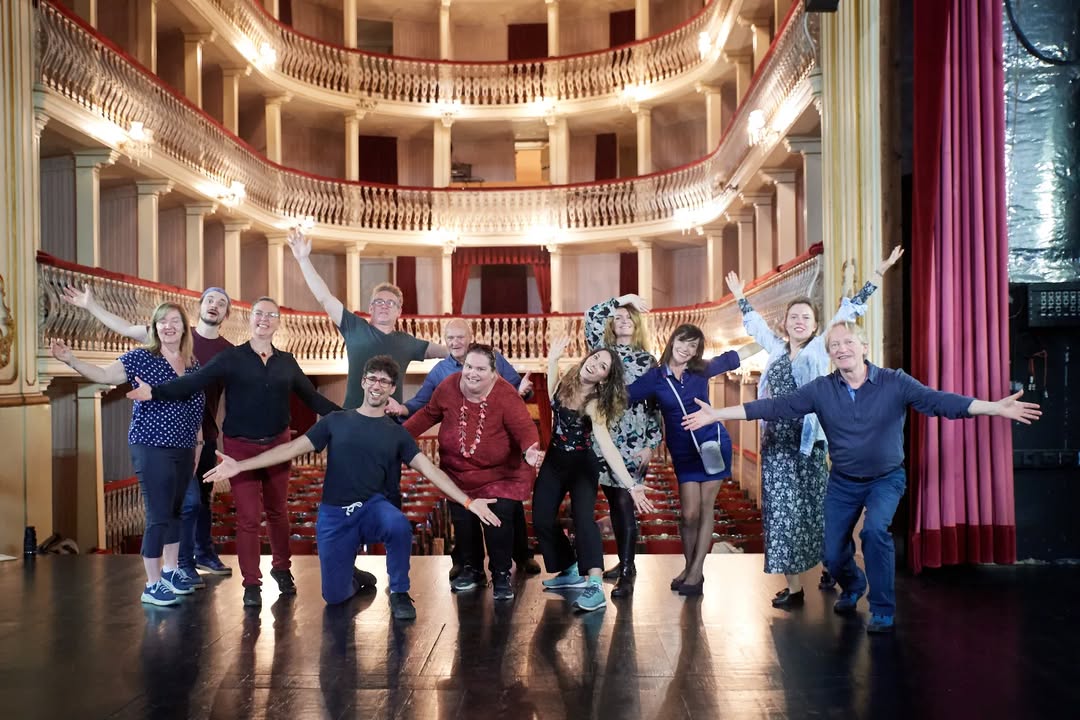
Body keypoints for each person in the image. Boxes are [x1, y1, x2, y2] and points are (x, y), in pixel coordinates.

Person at [683, 322, 1041, 633]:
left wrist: (995, 408)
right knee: (832, 552)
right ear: (830, 355)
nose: (841, 349)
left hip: (886, 479)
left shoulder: (894, 382)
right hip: (843, 481)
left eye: (848, 342)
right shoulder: (822, 389)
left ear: (864, 347)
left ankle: (882, 609)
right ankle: (853, 584)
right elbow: (775, 406)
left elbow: (939, 401)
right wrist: (718, 414)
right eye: (834, 345)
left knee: (874, 532)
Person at [204, 356, 502, 621]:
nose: (377, 385)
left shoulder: (397, 434)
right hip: (335, 514)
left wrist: (468, 502)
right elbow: (291, 448)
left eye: (384, 381)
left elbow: (431, 470)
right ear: (363, 382)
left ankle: (399, 591)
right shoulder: (336, 422)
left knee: (398, 524)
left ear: (391, 389)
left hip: (373, 508)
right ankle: (353, 575)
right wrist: (241, 465)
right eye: (372, 378)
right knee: (334, 597)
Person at [127, 297, 341, 608]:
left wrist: (353, 416)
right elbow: (194, 382)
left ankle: (282, 569)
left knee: (278, 512)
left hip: (279, 445)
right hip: (239, 448)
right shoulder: (231, 357)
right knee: (248, 518)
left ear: (278, 322)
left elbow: (314, 400)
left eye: (270, 315)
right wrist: (156, 392)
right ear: (249, 319)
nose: (264, 319)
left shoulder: (287, 362)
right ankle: (251, 583)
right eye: (258, 313)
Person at [726, 245, 904, 608]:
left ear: (815, 325)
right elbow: (755, 324)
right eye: (794, 316)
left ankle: (834, 569)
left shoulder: (820, 348)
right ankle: (793, 588)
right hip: (776, 445)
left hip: (808, 444)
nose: (799, 321)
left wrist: (878, 274)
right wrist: (741, 297)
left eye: (806, 317)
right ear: (785, 322)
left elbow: (850, 309)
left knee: (819, 513)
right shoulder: (776, 349)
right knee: (781, 516)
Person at [61, 284, 235, 582]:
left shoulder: (213, 356)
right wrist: (90, 307)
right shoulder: (161, 343)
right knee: (173, 509)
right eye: (210, 299)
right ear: (200, 306)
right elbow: (123, 334)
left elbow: (226, 398)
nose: (214, 305)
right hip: (156, 442)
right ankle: (170, 572)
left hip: (198, 439)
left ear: (226, 313)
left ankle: (190, 561)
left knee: (193, 505)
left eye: (221, 302)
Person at [51, 302, 205, 606]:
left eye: (175, 321)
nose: (168, 326)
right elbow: (104, 375)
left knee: (176, 510)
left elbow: (196, 410)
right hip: (151, 445)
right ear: (155, 327)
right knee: (158, 514)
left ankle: (171, 571)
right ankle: (152, 584)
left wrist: (197, 446)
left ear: (185, 328)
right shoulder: (141, 357)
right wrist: (71, 360)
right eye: (162, 321)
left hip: (185, 446)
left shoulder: (192, 364)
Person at [385, 318, 540, 578]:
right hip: (459, 464)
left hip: (500, 464)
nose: (455, 342)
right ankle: (469, 566)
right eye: (450, 338)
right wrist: (399, 424)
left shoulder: (494, 360)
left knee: (505, 512)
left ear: (470, 338)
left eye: (460, 337)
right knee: (463, 517)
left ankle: (516, 560)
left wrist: (529, 441)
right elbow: (425, 408)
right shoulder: (441, 375)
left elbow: (518, 398)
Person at [626, 325, 761, 596]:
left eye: (693, 346)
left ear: (697, 351)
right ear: (672, 341)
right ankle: (690, 568)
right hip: (684, 453)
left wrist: (771, 337)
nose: (686, 349)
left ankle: (696, 571)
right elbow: (623, 396)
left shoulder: (701, 370)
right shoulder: (655, 378)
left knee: (705, 508)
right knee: (688, 515)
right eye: (683, 341)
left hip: (712, 445)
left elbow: (737, 356)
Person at [533, 338, 655, 613]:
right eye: (595, 358)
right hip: (554, 461)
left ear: (605, 378)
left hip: (582, 466)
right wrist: (552, 360)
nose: (595, 364)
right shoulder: (567, 381)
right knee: (541, 519)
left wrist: (631, 485)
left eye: (603, 367)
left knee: (583, 519)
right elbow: (553, 395)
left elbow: (606, 445)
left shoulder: (595, 403)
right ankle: (569, 569)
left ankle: (595, 585)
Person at [285, 229, 447, 408]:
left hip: (389, 420)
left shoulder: (407, 342)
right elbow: (325, 298)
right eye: (379, 301)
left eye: (391, 303)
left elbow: (444, 352)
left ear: (399, 311)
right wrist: (303, 260)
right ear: (370, 308)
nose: (384, 305)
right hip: (352, 417)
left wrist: (465, 352)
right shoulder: (355, 328)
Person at [583, 294, 663, 597]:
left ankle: (628, 571)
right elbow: (591, 316)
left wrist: (652, 445)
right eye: (618, 317)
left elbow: (656, 406)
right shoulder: (603, 352)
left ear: (637, 324)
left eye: (629, 317)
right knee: (614, 503)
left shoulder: (648, 360)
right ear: (612, 324)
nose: (624, 321)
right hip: (604, 440)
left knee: (625, 502)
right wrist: (624, 299)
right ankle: (624, 561)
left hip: (634, 442)